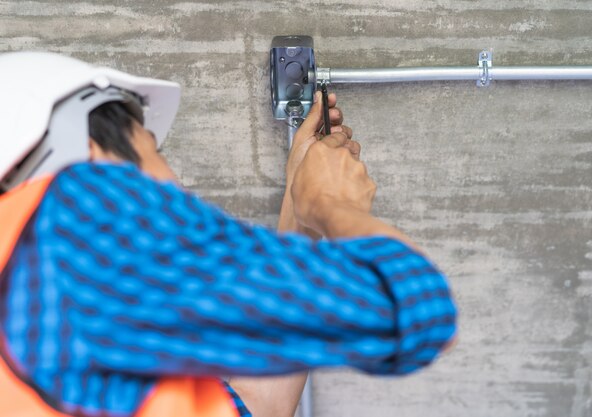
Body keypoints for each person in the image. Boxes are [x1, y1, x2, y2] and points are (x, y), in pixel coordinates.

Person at [0, 52, 457, 417]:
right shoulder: (82, 217)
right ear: (89, 148)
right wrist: (331, 204)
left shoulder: (38, 286)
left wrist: (299, 213)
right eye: (153, 151)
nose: (172, 180)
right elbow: (414, 307)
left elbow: (258, 407)